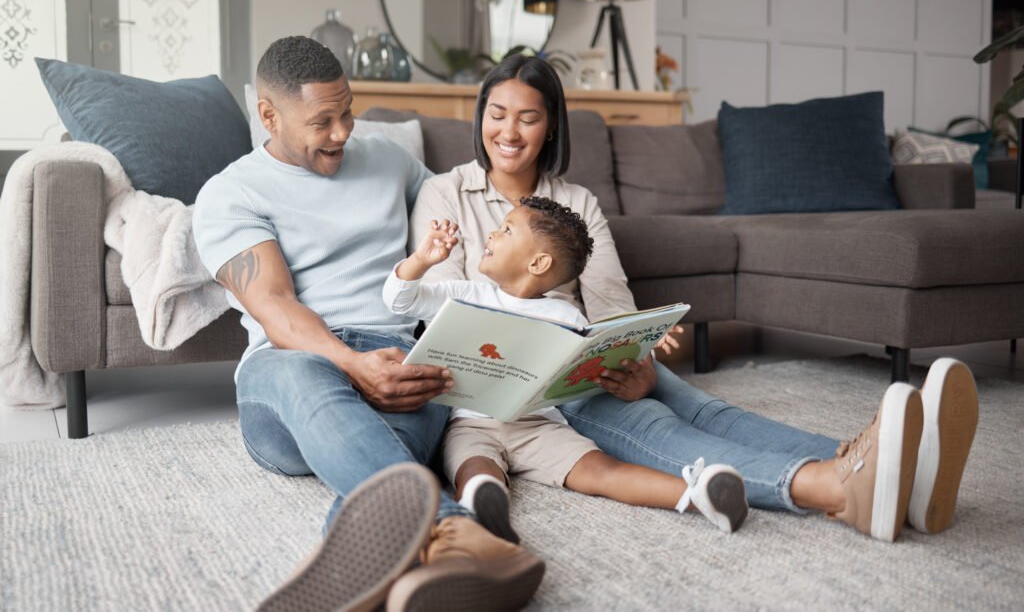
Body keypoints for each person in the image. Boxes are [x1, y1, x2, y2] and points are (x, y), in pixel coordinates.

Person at [409, 53, 980, 543]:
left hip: (579, 362)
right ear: (480, 117)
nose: (509, 132)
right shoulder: (444, 193)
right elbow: (453, 317)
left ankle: (872, 462)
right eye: (497, 114)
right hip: (513, 387)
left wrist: (633, 356)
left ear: (551, 127)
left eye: (528, 118)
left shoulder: (577, 202)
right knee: (654, 427)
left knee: (706, 408)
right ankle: (829, 487)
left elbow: (611, 305)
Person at [192, 36, 545, 612]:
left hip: (398, 358)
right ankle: (459, 533)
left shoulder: (389, 158)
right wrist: (352, 364)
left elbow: (460, 217)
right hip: (291, 372)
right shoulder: (230, 194)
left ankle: (406, 570)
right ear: (268, 115)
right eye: (322, 121)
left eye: (348, 111)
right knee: (303, 376)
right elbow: (275, 306)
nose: (342, 132)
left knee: (391, 461)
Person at [385, 199, 749, 538]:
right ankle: (483, 503)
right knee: (475, 469)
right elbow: (399, 301)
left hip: (540, 424)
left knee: (601, 471)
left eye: (507, 229)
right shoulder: (465, 296)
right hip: (471, 422)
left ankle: (697, 493)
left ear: (538, 263)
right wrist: (421, 260)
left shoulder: (566, 316)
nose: (492, 234)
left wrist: (640, 344)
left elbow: (587, 369)